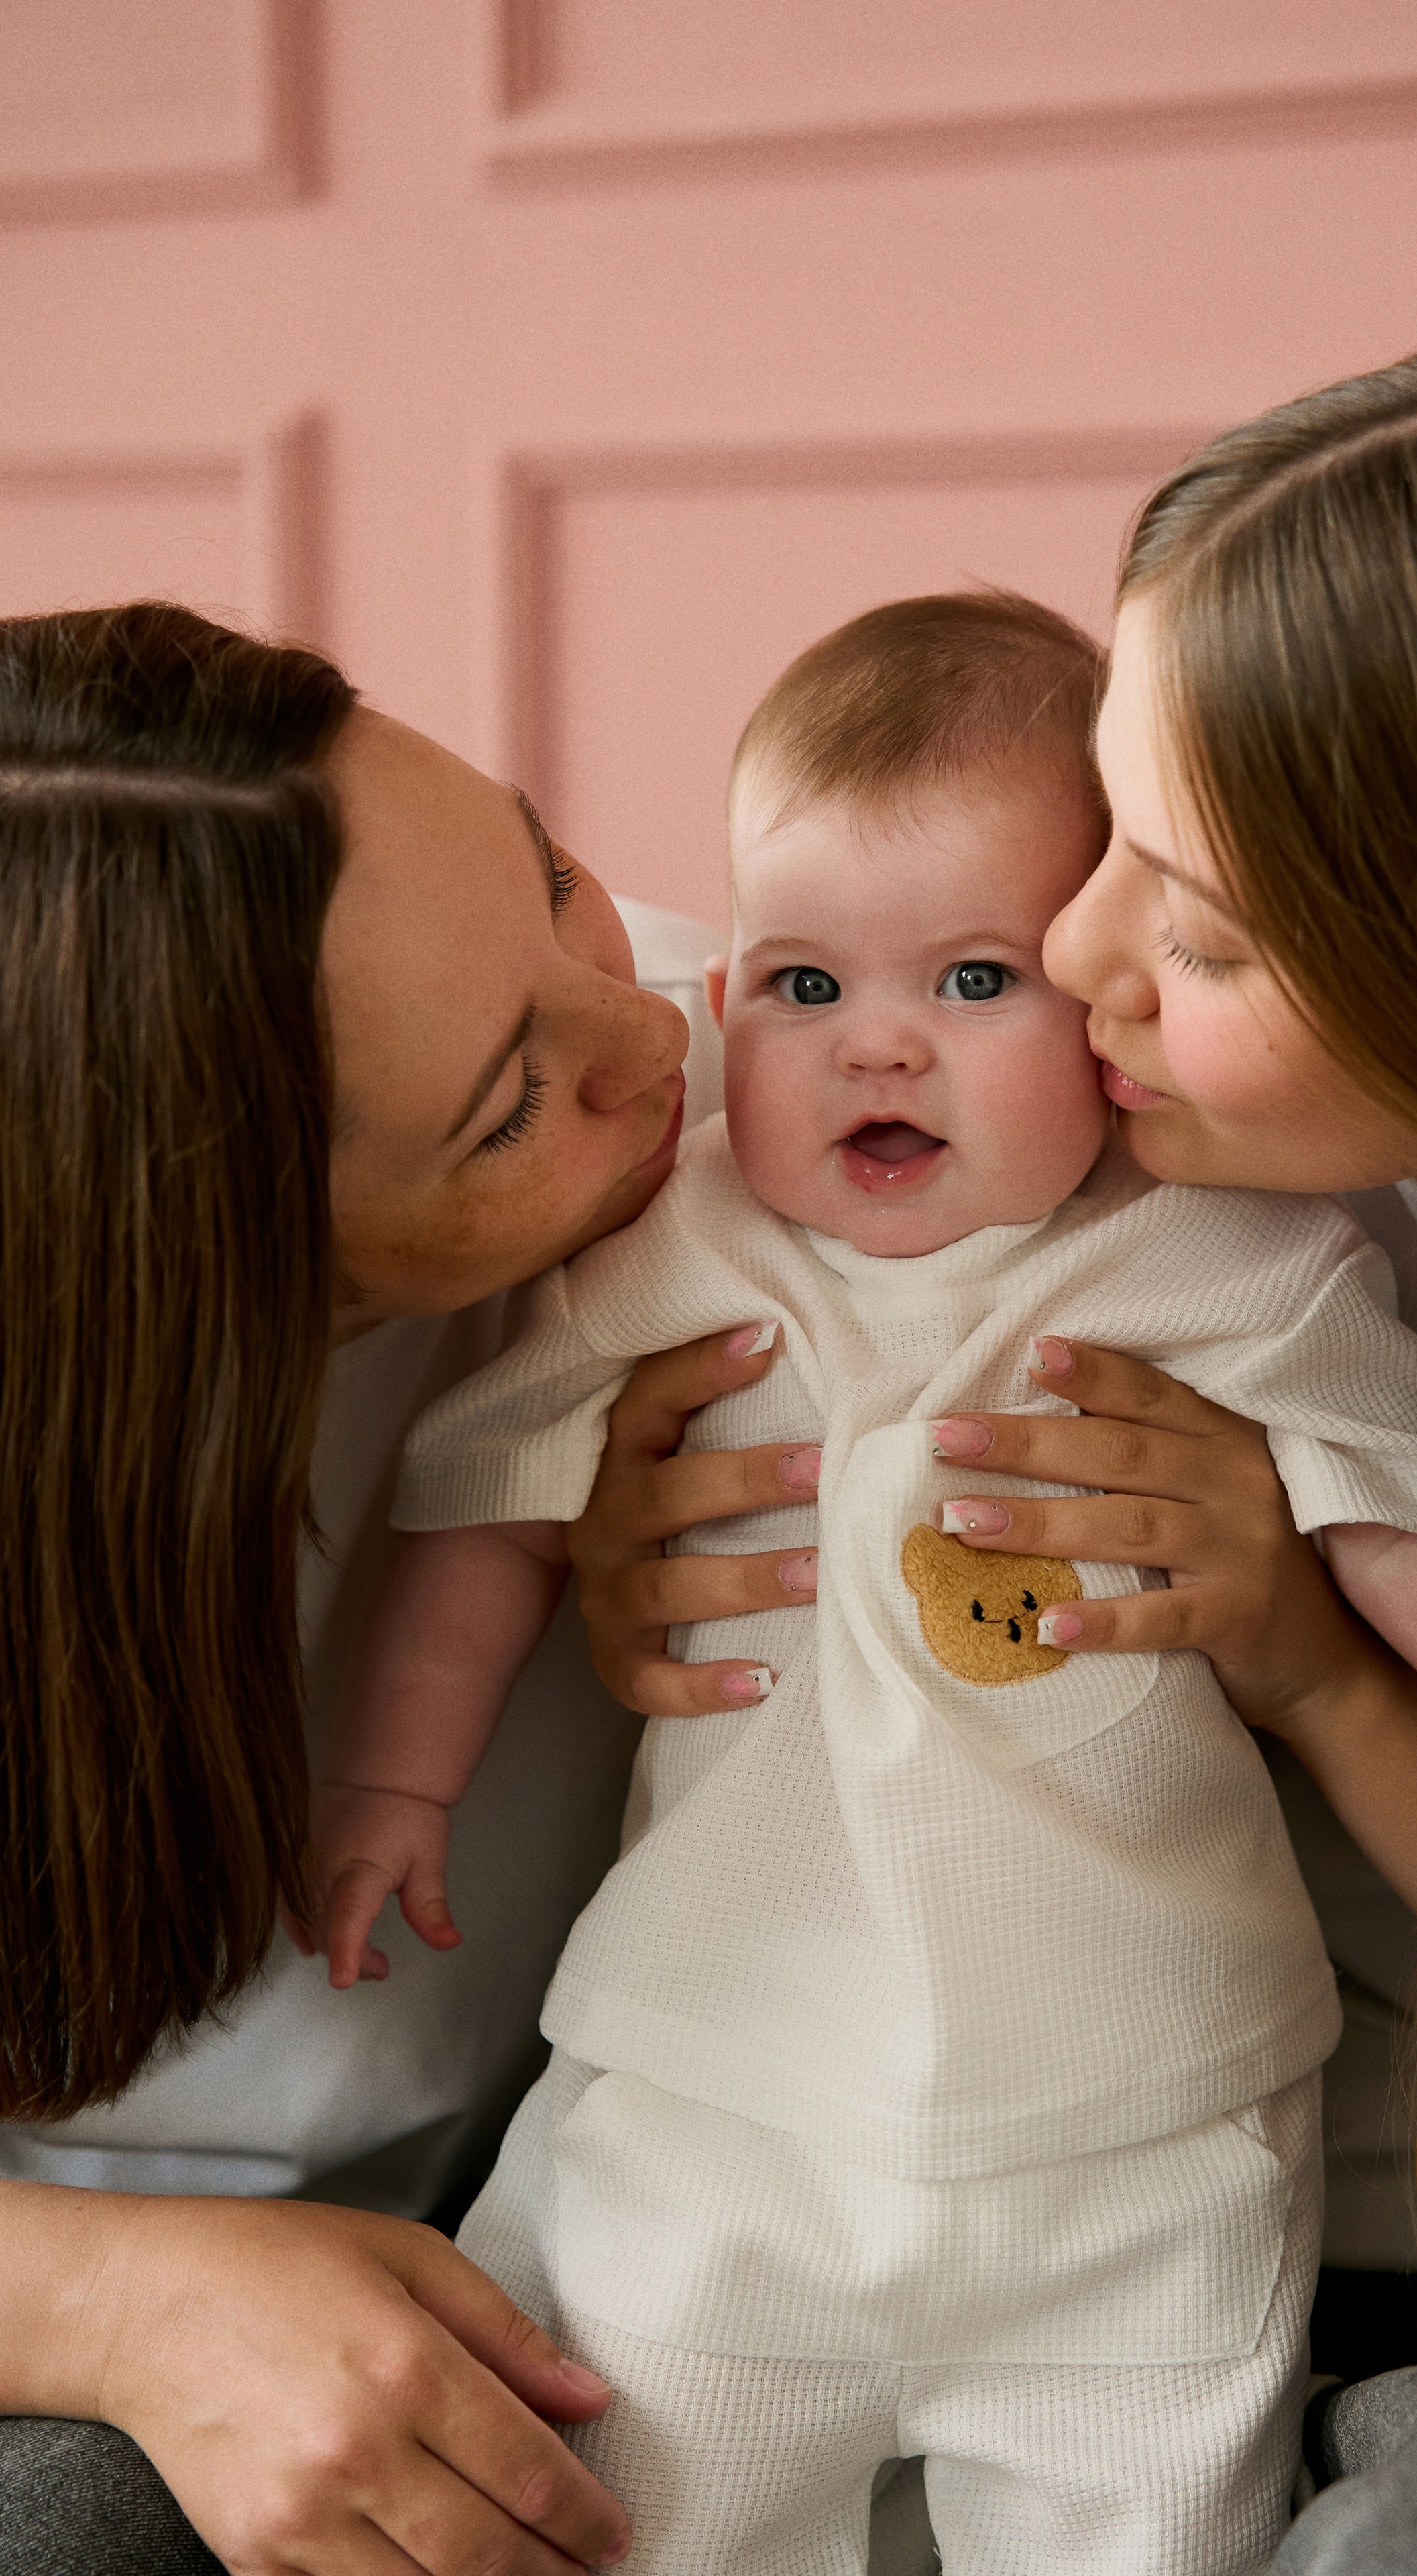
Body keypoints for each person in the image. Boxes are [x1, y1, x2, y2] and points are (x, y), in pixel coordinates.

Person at [308, 592, 1417, 2575]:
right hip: (733, 2082)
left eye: (975, 977)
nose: (875, 1042)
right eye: (802, 982)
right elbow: (489, 1511)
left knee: (1142, 2521)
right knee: (645, 2506)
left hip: (1145, 2108)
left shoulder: (1220, 1261)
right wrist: (392, 1786)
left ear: (1111, 1002)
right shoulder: (685, 1233)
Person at [859, 308, 1417, 2572]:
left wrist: (1322, 1668)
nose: (1070, 951)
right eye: (1109, 837)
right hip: (1076, 2197)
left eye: (1207, 932)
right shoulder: (1159, 1149)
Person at [0, 598, 793, 2575]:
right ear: (215, 1293)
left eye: (552, 875)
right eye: (510, 1107)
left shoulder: (765, 1078)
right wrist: (106, 2303)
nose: (661, 1037)